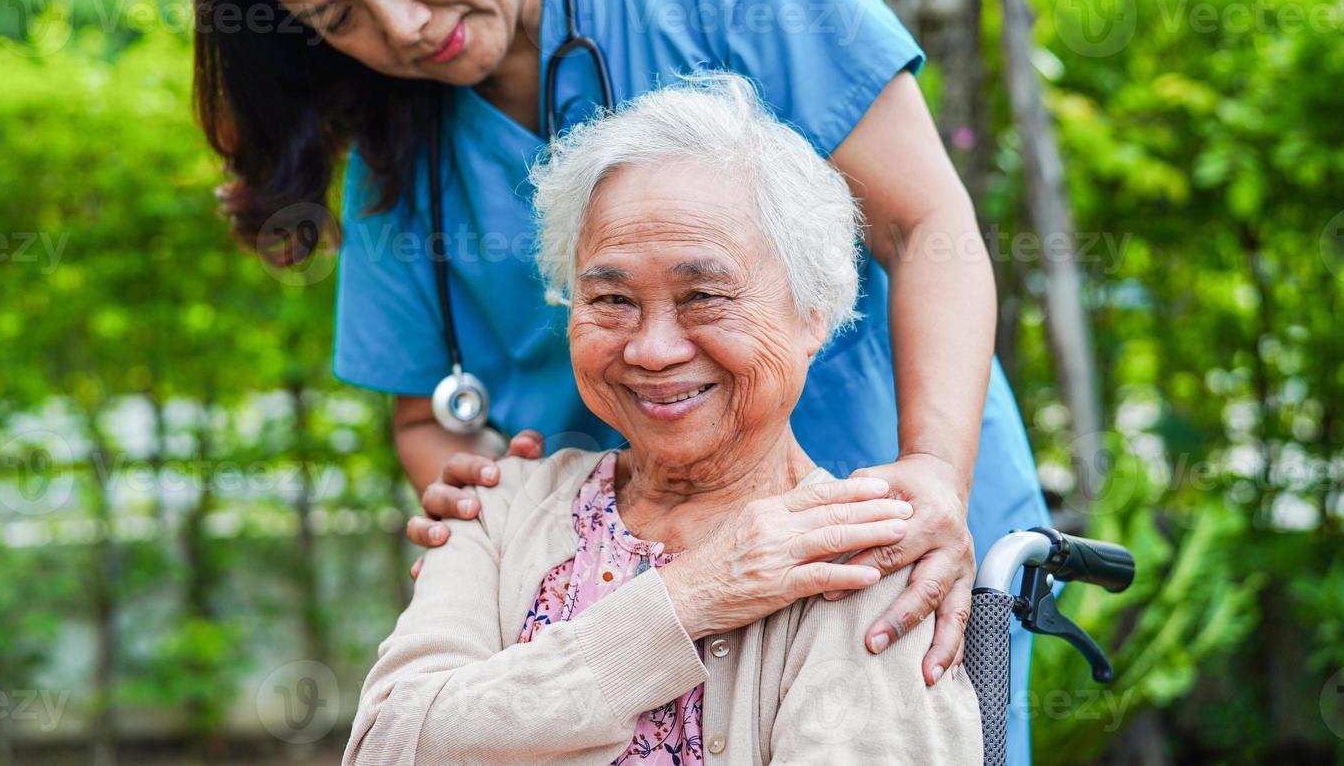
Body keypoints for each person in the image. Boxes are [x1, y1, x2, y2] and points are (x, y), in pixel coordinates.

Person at [190, 0, 1050, 760]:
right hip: (614, 607)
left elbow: (926, 224)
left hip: (878, 508)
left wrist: (932, 471)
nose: (400, 25)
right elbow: (428, 410)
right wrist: (517, 540)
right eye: (337, 14)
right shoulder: (400, 148)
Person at [340, 72, 983, 765]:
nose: (652, 349)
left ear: (814, 312)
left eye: (704, 294)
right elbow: (385, 745)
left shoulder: (860, 555)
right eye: (612, 299)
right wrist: (684, 599)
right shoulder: (499, 508)